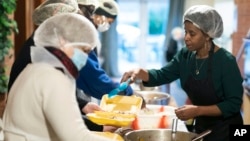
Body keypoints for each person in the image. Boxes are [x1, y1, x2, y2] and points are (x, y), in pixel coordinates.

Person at [120, 5, 243, 141]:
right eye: (186, 32)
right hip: (203, 128)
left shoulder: (226, 61)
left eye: (192, 33)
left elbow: (234, 104)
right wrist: (140, 73)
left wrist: (197, 110)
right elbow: (162, 75)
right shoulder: (185, 56)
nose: (186, 38)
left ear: (207, 35)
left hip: (230, 130)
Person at [7, 0, 116, 132]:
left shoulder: (46, 46)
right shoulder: (40, 55)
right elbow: (59, 113)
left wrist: (83, 104)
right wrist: (99, 128)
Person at [76, 0, 133, 100]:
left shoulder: (90, 34)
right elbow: (93, 77)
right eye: (109, 22)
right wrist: (126, 91)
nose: (107, 26)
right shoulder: (81, 35)